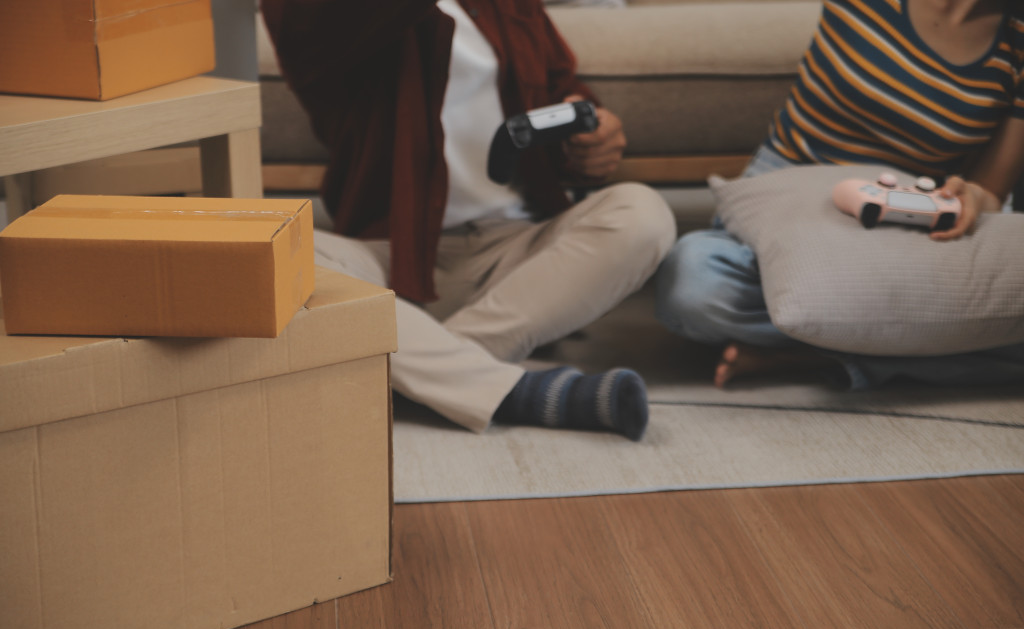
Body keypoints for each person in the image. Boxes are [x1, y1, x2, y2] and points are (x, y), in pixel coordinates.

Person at [261, 0, 676, 439]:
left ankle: (424, 369)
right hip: (392, 262)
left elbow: (561, 91)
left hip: (514, 258)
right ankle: (518, 391)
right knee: (281, 259)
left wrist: (593, 134)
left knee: (642, 213)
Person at [655, 0, 1024, 390]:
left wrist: (970, 197)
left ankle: (812, 356)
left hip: (898, 227)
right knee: (692, 283)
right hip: (785, 196)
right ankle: (881, 347)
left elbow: (990, 192)